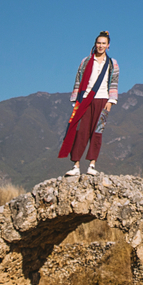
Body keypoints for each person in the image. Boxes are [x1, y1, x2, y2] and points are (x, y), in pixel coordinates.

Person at [59, 31, 120, 176]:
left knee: (97, 132)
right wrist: (76, 100)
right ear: (95, 44)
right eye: (98, 43)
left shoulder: (112, 64)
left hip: (103, 100)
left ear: (108, 45)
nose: (100, 46)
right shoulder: (86, 61)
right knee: (81, 131)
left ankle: (92, 164)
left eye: (103, 43)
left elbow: (114, 83)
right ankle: (76, 165)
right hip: (85, 99)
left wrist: (111, 101)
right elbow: (78, 80)